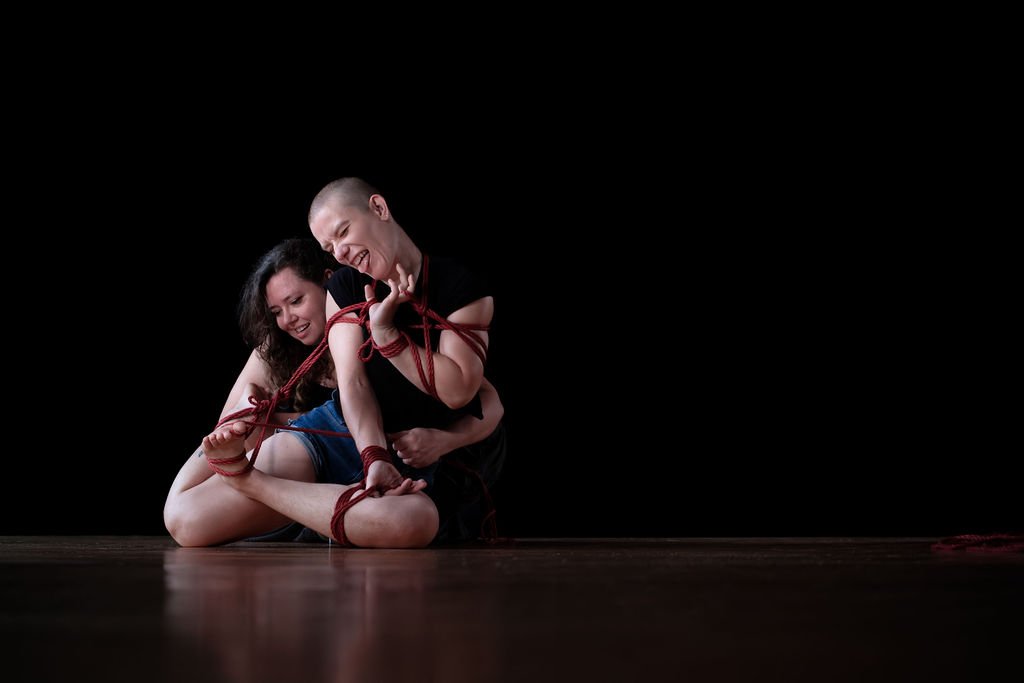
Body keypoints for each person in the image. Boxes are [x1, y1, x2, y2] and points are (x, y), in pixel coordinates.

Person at [199, 177, 506, 547]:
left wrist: (387, 336)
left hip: (410, 451)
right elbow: (353, 385)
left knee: (413, 520)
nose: (341, 252)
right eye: (330, 247)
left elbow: (469, 395)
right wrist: (252, 408)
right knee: (187, 517)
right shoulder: (323, 307)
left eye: (343, 232)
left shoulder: (456, 287)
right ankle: (281, 497)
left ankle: (305, 512)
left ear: (379, 208)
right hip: (341, 437)